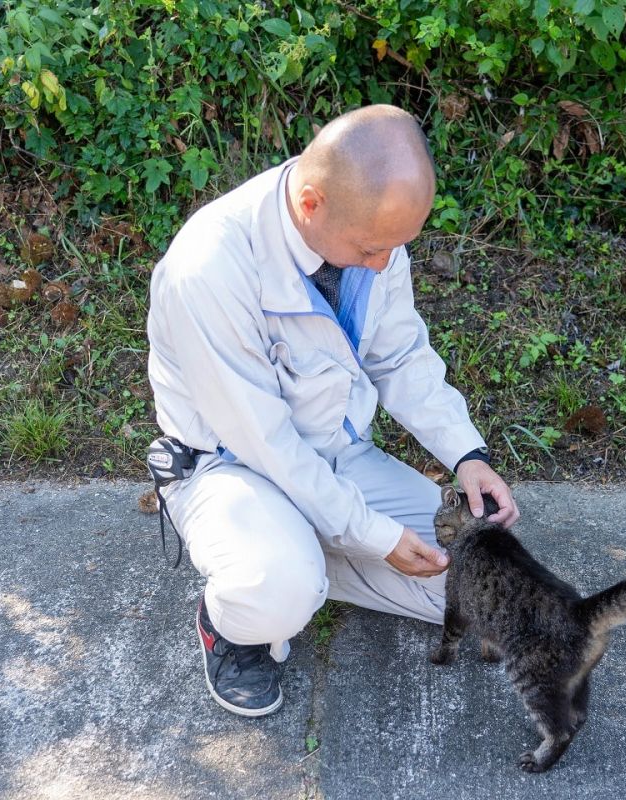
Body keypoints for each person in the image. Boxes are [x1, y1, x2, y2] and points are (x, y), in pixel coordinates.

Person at [146, 104, 519, 717]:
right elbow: (268, 445)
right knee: (278, 587)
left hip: (335, 454)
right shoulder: (208, 270)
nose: (384, 263)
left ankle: (315, 555)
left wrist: (467, 454)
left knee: (487, 583)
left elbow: (400, 354)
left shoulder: (371, 231)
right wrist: (375, 535)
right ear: (312, 204)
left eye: (397, 247)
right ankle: (233, 623)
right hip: (232, 468)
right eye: (373, 248)